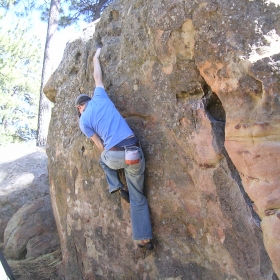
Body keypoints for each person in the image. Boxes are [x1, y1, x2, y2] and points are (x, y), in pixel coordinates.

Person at [75, 47, 153, 250]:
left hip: (115, 154)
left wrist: (106, 150)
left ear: (79, 108)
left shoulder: (83, 120)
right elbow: (97, 76)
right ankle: (144, 238)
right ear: (89, 99)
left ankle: (116, 186)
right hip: (134, 151)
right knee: (138, 196)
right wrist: (95, 57)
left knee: (103, 159)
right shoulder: (100, 96)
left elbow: (99, 144)